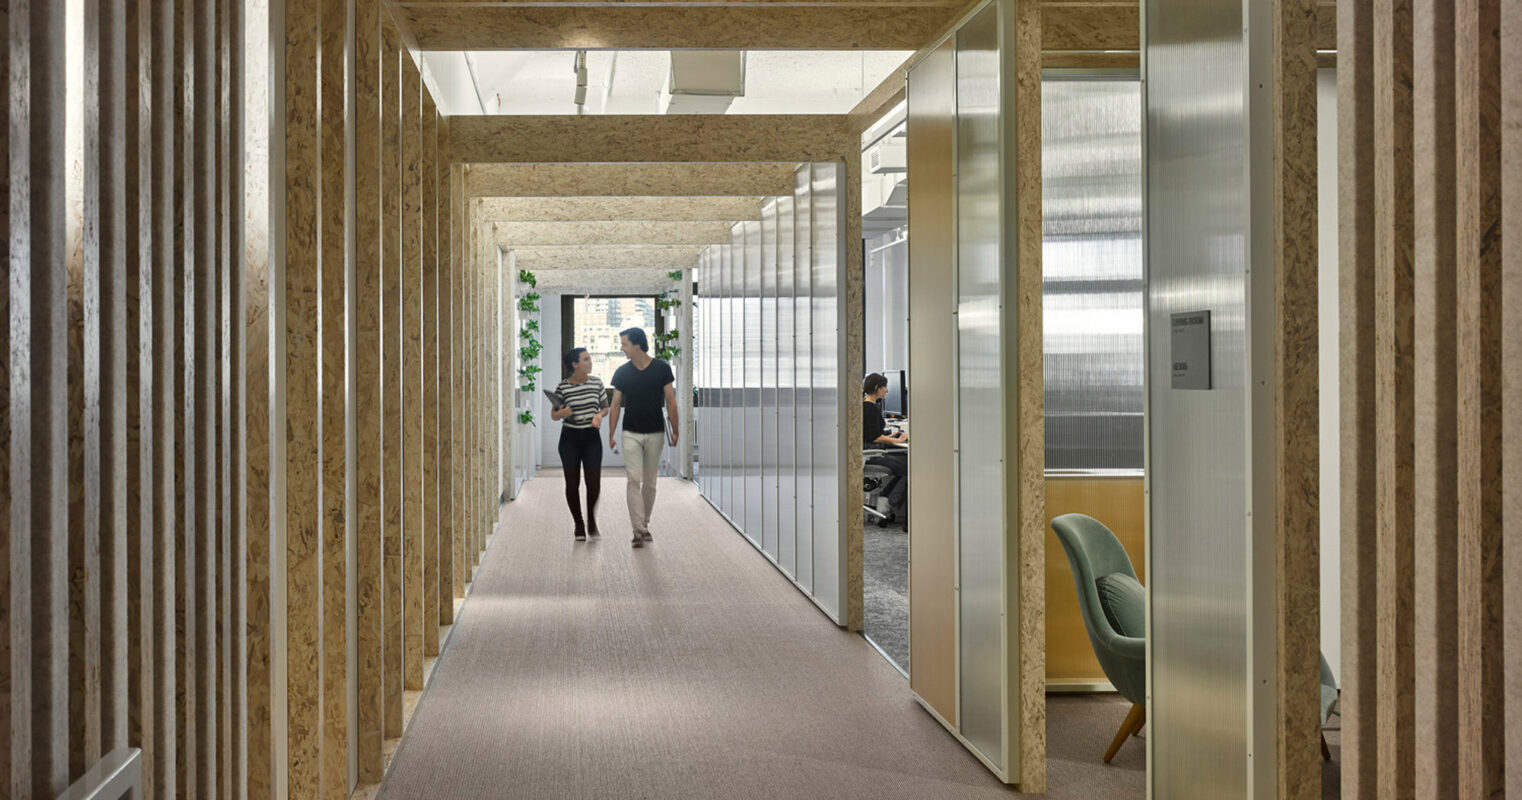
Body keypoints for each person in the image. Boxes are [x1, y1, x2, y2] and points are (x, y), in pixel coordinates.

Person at [606, 327, 678, 548]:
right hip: (631, 433)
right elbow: (615, 404)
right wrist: (611, 434)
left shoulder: (662, 369)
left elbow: (671, 401)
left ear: (637, 344)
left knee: (650, 483)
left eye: (624, 344)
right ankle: (638, 530)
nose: (622, 348)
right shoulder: (622, 372)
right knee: (633, 479)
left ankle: (644, 523)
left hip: (655, 432)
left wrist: (675, 430)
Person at [550, 347, 609, 541]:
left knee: (593, 483)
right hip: (570, 439)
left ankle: (592, 519)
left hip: (592, 438)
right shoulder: (563, 387)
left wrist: (599, 416)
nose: (590, 362)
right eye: (585, 359)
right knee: (572, 483)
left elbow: (605, 408)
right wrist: (563, 413)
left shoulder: (597, 384)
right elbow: (554, 415)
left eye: (590, 359)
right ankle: (579, 523)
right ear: (575, 364)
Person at [862, 373, 908, 513]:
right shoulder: (871, 409)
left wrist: (890, 435)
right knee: (908, 469)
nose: (887, 390)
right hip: (872, 454)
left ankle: (886, 498)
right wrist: (897, 440)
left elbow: (870, 433)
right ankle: (888, 501)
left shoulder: (864, 406)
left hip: (867, 451)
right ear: (877, 388)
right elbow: (875, 438)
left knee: (903, 467)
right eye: (884, 387)